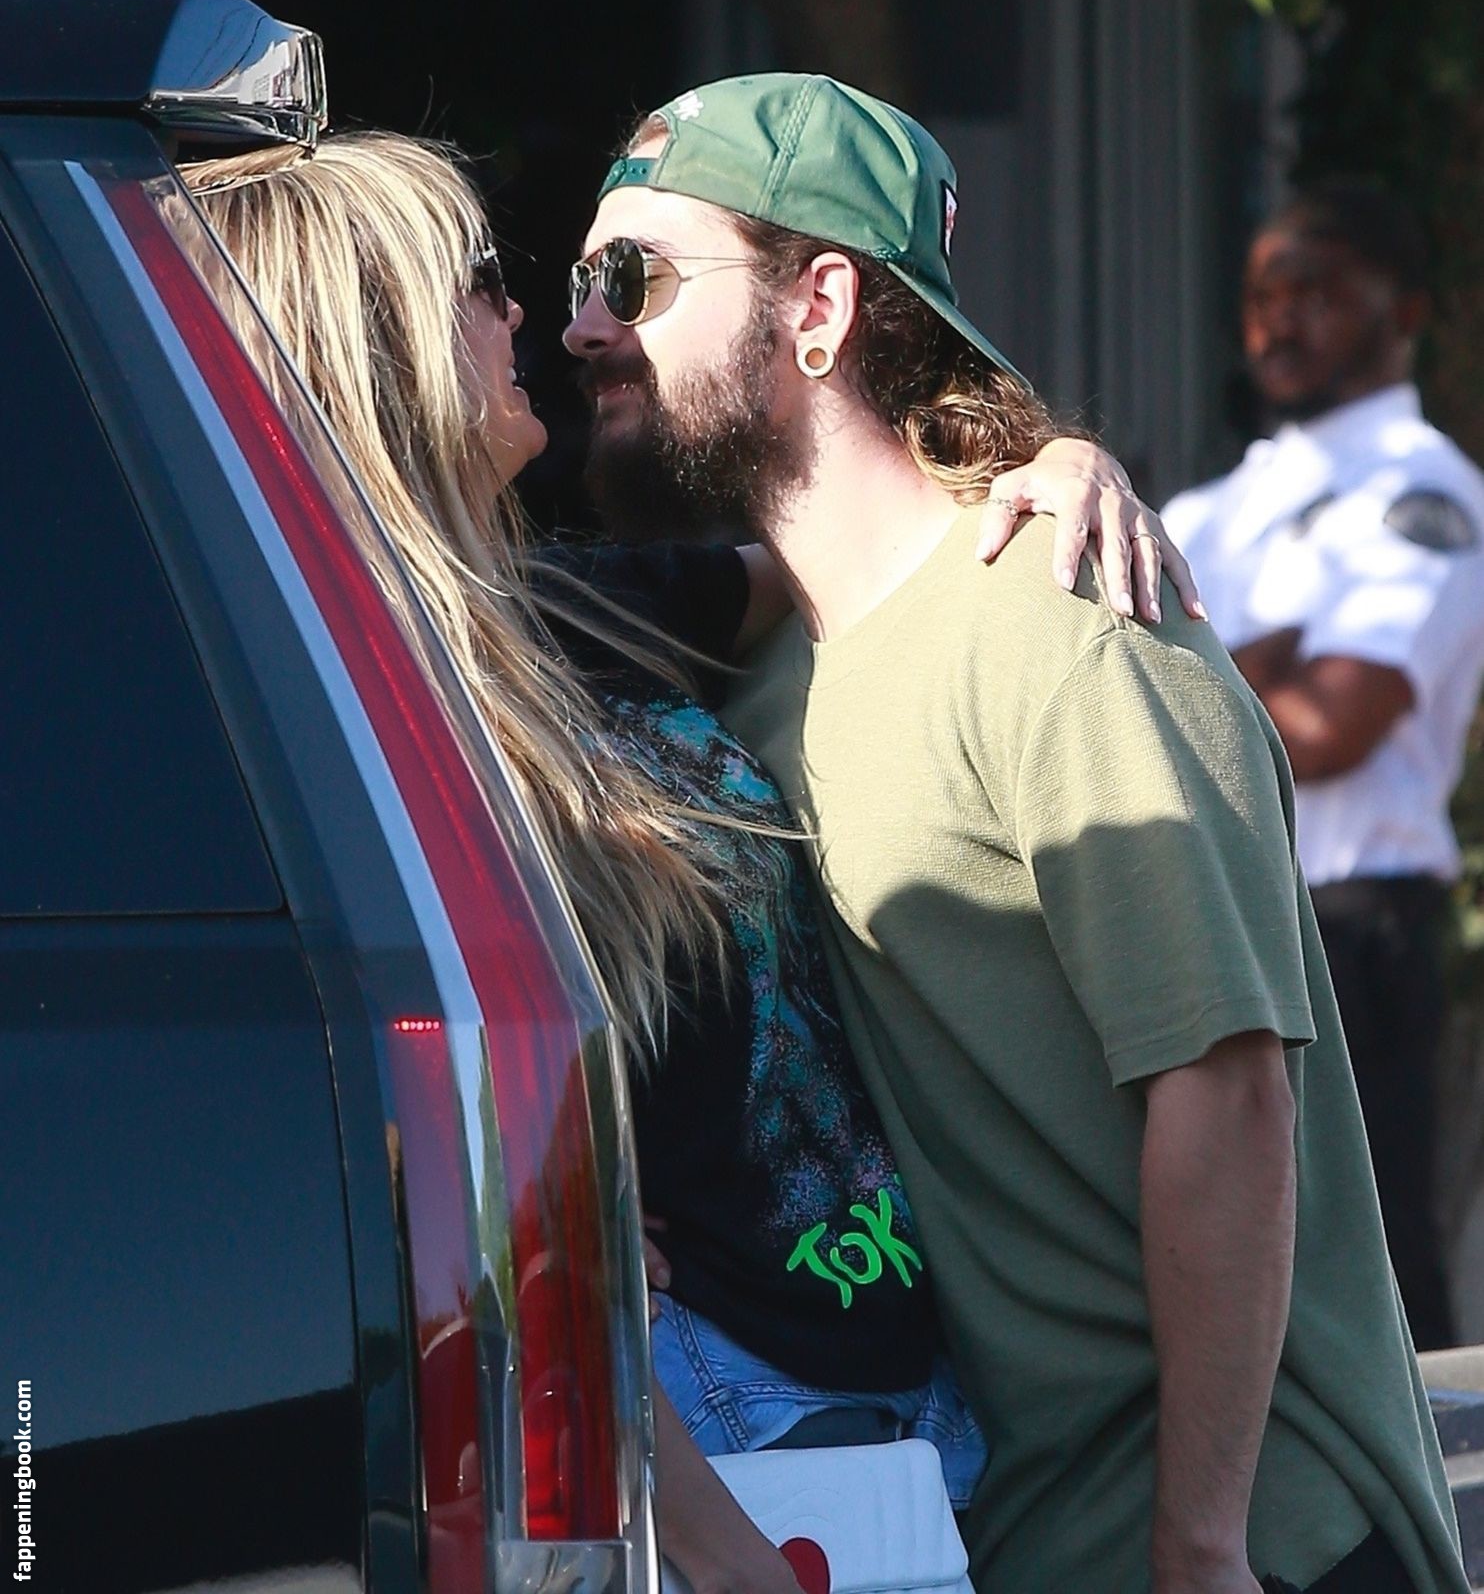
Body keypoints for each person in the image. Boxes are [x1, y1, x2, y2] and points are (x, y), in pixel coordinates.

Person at [177, 129, 1175, 1594]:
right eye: (478, 280)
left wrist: (1051, 467)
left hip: (894, 1373)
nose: (530, 314)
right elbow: (459, 1203)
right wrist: (721, 1546)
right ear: (370, 342)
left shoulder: (556, 605)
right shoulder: (344, 712)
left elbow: (861, 555)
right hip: (723, 1421)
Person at [563, 75, 1470, 1594]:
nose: (587, 326)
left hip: (1254, 1544)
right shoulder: (755, 679)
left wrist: (1199, 1546)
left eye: (633, 275)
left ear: (818, 307)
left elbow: (1225, 1093)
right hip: (1003, 1532)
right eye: (580, 284)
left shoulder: (1067, 626)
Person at [1162, 183, 1484, 1354]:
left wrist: (1193, 671)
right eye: (1262, 295)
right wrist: (1261, 664)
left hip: (1346, 927)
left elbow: (1329, 728)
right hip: (1207, 912)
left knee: (1372, 1278)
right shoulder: (1213, 501)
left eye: (1317, 293)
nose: (1278, 321)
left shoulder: (1419, 492)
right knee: (1219, 1271)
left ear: (1403, 312)